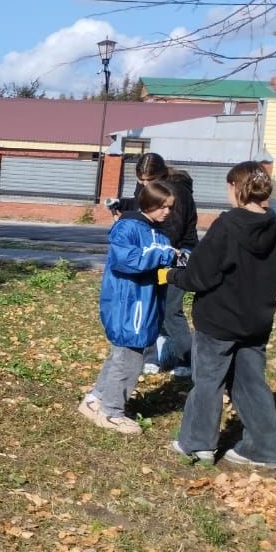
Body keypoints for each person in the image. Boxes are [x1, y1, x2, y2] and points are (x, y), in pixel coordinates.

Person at [169, 162, 276, 469]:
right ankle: (265, 449)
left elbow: (200, 275)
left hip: (219, 320)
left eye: (228, 186)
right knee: (252, 383)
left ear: (237, 188)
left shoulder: (227, 225)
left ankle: (197, 445)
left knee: (208, 380)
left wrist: (173, 276)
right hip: (256, 321)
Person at [78, 180, 178, 434]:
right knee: (129, 358)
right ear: (149, 203)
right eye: (163, 206)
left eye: (170, 207)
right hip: (128, 302)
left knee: (121, 354)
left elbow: (158, 265)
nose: (167, 212)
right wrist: (167, 255)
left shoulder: (159, 233)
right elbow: (128, 261)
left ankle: (95, 401)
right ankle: (111, 413)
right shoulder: (128, 228)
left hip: (146, 301)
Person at [113, 153, 199, 376]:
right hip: (154, 253)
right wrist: (121, 206)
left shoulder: (176, 193)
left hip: (178, 255)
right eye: (141, 182)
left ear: (161, 175)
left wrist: (162, 252)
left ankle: (186, 361)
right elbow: (140, 207)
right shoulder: (148, 187)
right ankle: (151, 356)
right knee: (150, 305)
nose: (144, 186)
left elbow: (172, 229)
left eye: (149, 181)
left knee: (171, 310)